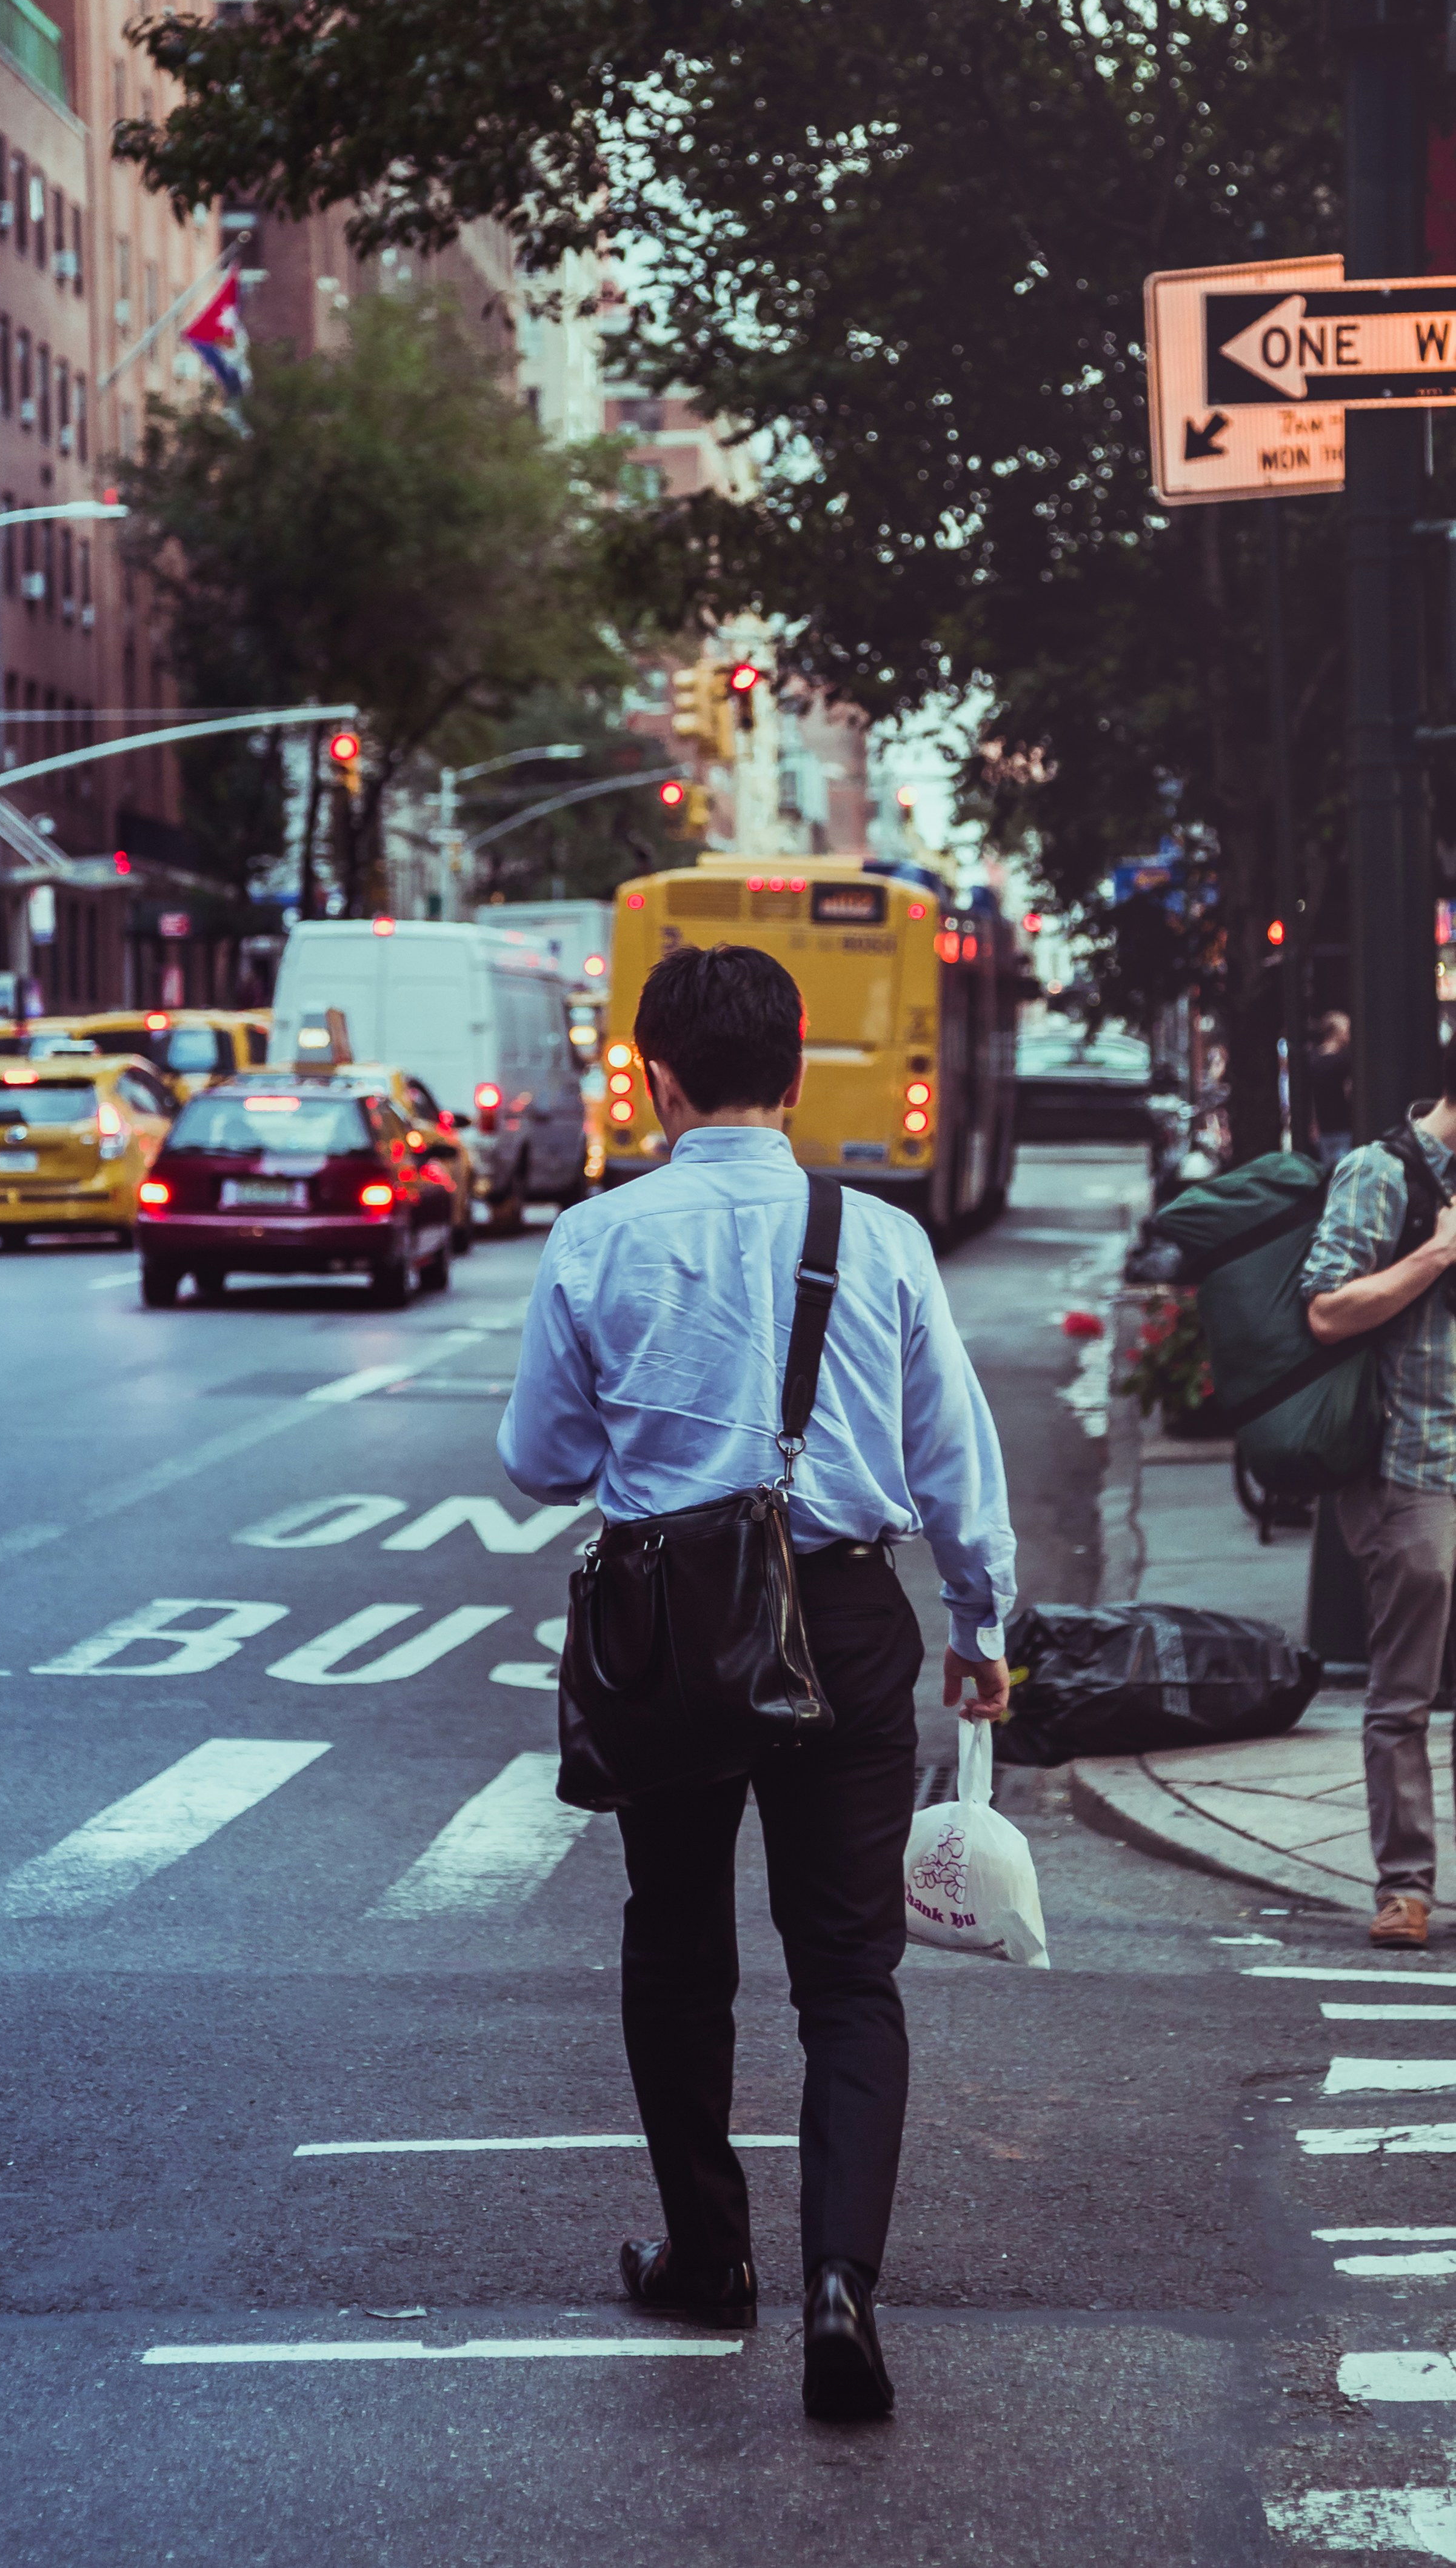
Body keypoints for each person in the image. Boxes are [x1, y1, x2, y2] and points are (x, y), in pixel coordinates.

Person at [497, 943, 1015, 2421]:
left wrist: (652, 1454)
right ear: (797, 1070)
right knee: (847, 1973)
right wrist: (983, 1624)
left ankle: (705, 2256)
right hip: (844, 1621)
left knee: (674, 1943)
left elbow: (536, 1462)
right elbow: (951, 1458)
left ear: (655, 1074)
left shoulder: (596, 1235)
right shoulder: (881, 1237)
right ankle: (837, 2279)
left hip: (669, 1626)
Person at [1304, 1042, 1456, 1949]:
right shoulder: (1379, 1172)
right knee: (1402, 1696)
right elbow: (1325, 1310)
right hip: (1412, 1469)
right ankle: (1404, 1885)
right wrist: (1436, 1253)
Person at [1310, 1013, 1354, 1169]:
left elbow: (1311, 1097)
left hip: (1324, 1128)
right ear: (1337, 1033)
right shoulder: (1344, 1061)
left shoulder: (1313, 1059)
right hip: (1343, 1127)